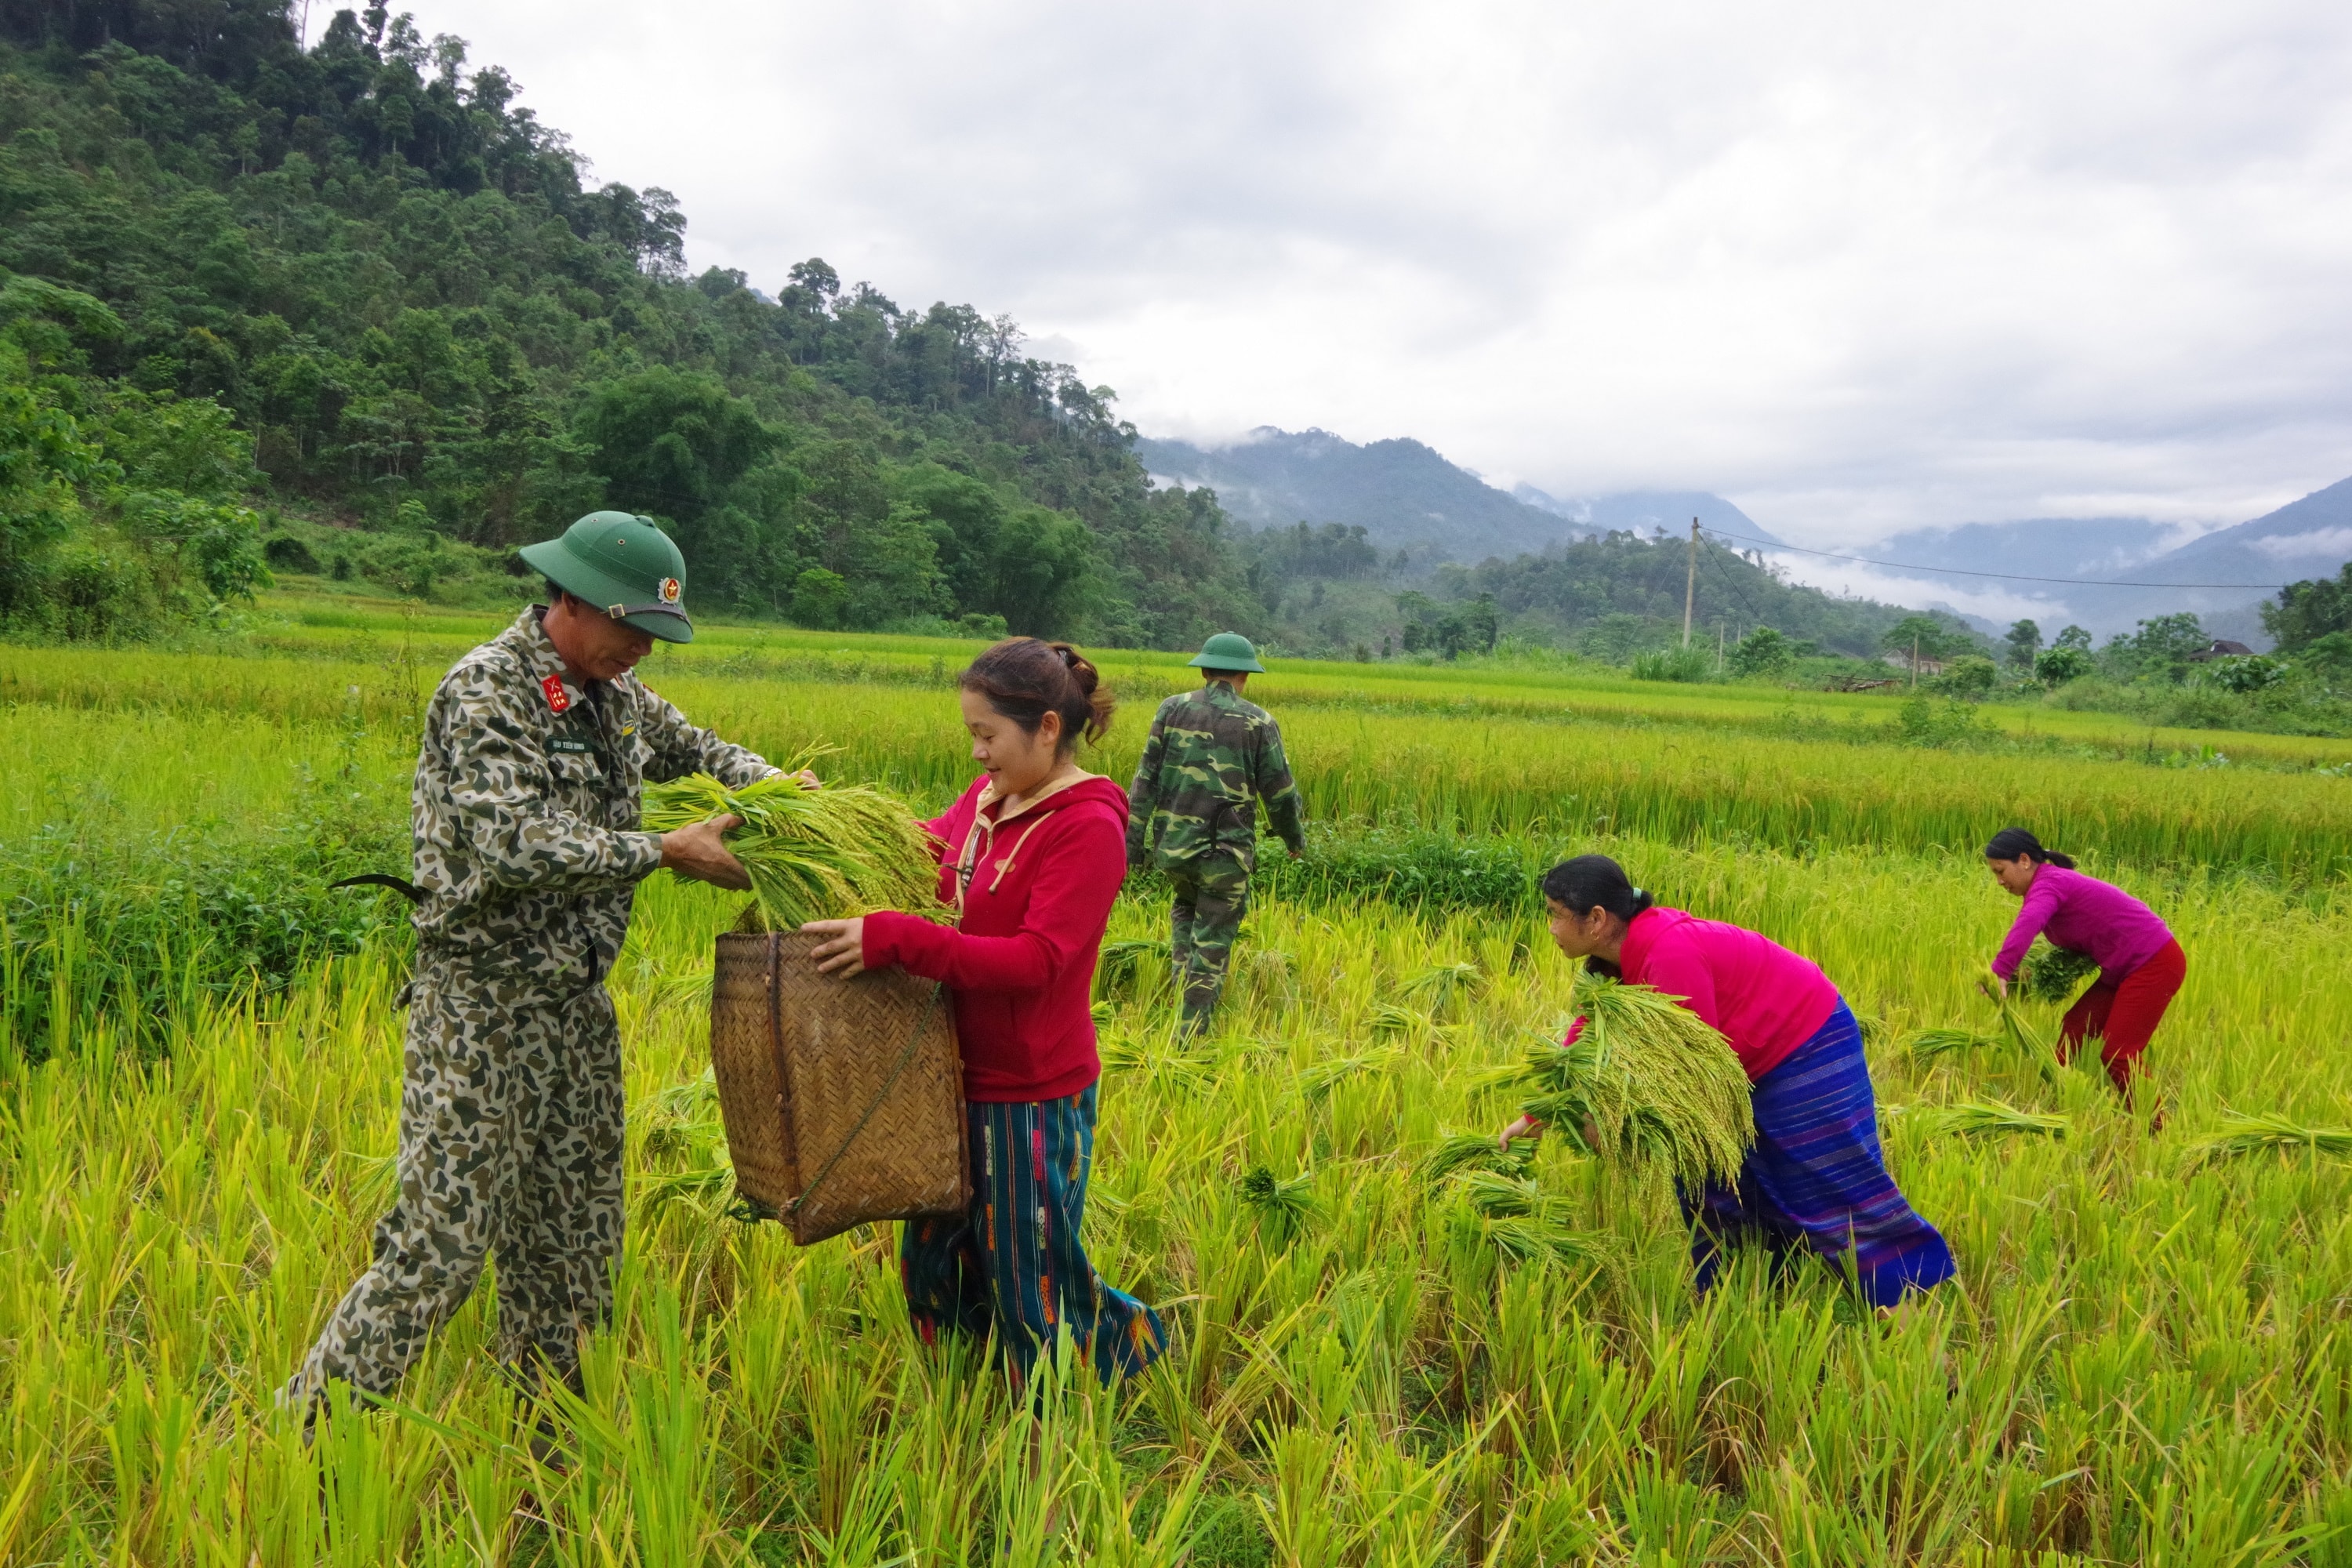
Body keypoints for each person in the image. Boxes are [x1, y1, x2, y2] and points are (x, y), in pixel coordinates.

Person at [283, 512, 786, 1418]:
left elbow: (705, 750)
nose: (641, 648)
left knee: (576, 1241)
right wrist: (662, 849)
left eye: (652, 635)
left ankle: (550, 1440)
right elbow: (515, 841)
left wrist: (787, 793)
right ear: (572, 599)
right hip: (481, 1004)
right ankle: (306, 1431)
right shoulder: (488, 689)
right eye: (630, 627)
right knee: (440, 1246)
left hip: (574, 1009)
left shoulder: (618, 696)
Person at [804, 638, 1164, 1388]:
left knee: (1028, 1267)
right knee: (934, 1258)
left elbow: (1038, 962)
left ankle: (1090, 1386)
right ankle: (963, 1399)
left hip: (1029, 1087)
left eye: (987, 735)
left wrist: (898, 941)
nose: (977, 753)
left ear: (1047, 730)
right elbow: (918, 858)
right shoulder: (987, 802)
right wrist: (823, 820)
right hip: (944, 1075)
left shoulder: (1087, 826)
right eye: (971, 734)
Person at [1498, 855, 1955, 1311]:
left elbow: (1694, 1072)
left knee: (1824, 1185)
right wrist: (1538, 1115)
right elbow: (1588, 1036)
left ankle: (1916, 1327)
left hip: (1803, 1042)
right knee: (1714, 1183)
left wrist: (1610, 1119)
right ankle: (1744, 1305)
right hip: (1745, 1061)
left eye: (1556, 916)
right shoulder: (1612, 962)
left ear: (1596, 919)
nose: (1552, 929)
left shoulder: (1668, 951)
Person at [1125, 631, 1305, 1034]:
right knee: (1212, 944)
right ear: (1245, 675)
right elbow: (1280, 792)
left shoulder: (1170, 710)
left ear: (1205, 670)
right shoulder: (1258, 721)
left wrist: (1132, 849)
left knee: (1185, 913)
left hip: (1174, 850)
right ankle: (1189, 1037)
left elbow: (1143, 783)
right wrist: (1294, 839)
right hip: (1225, 857)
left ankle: (1179, 1006)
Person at [1984, 826, 2183, 1098]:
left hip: (2153, 962)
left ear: (2024, 860)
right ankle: (2060, 1097)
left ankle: (2157, 1127)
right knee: (2076, 1026)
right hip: (2121, 968)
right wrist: (2030, 974)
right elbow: (2081, 945)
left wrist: (2002, 970)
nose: (1999, 881)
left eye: (2000, 871)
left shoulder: (2048, 885)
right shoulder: (2049, 884)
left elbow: (2029, 922)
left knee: (2119, 1054)